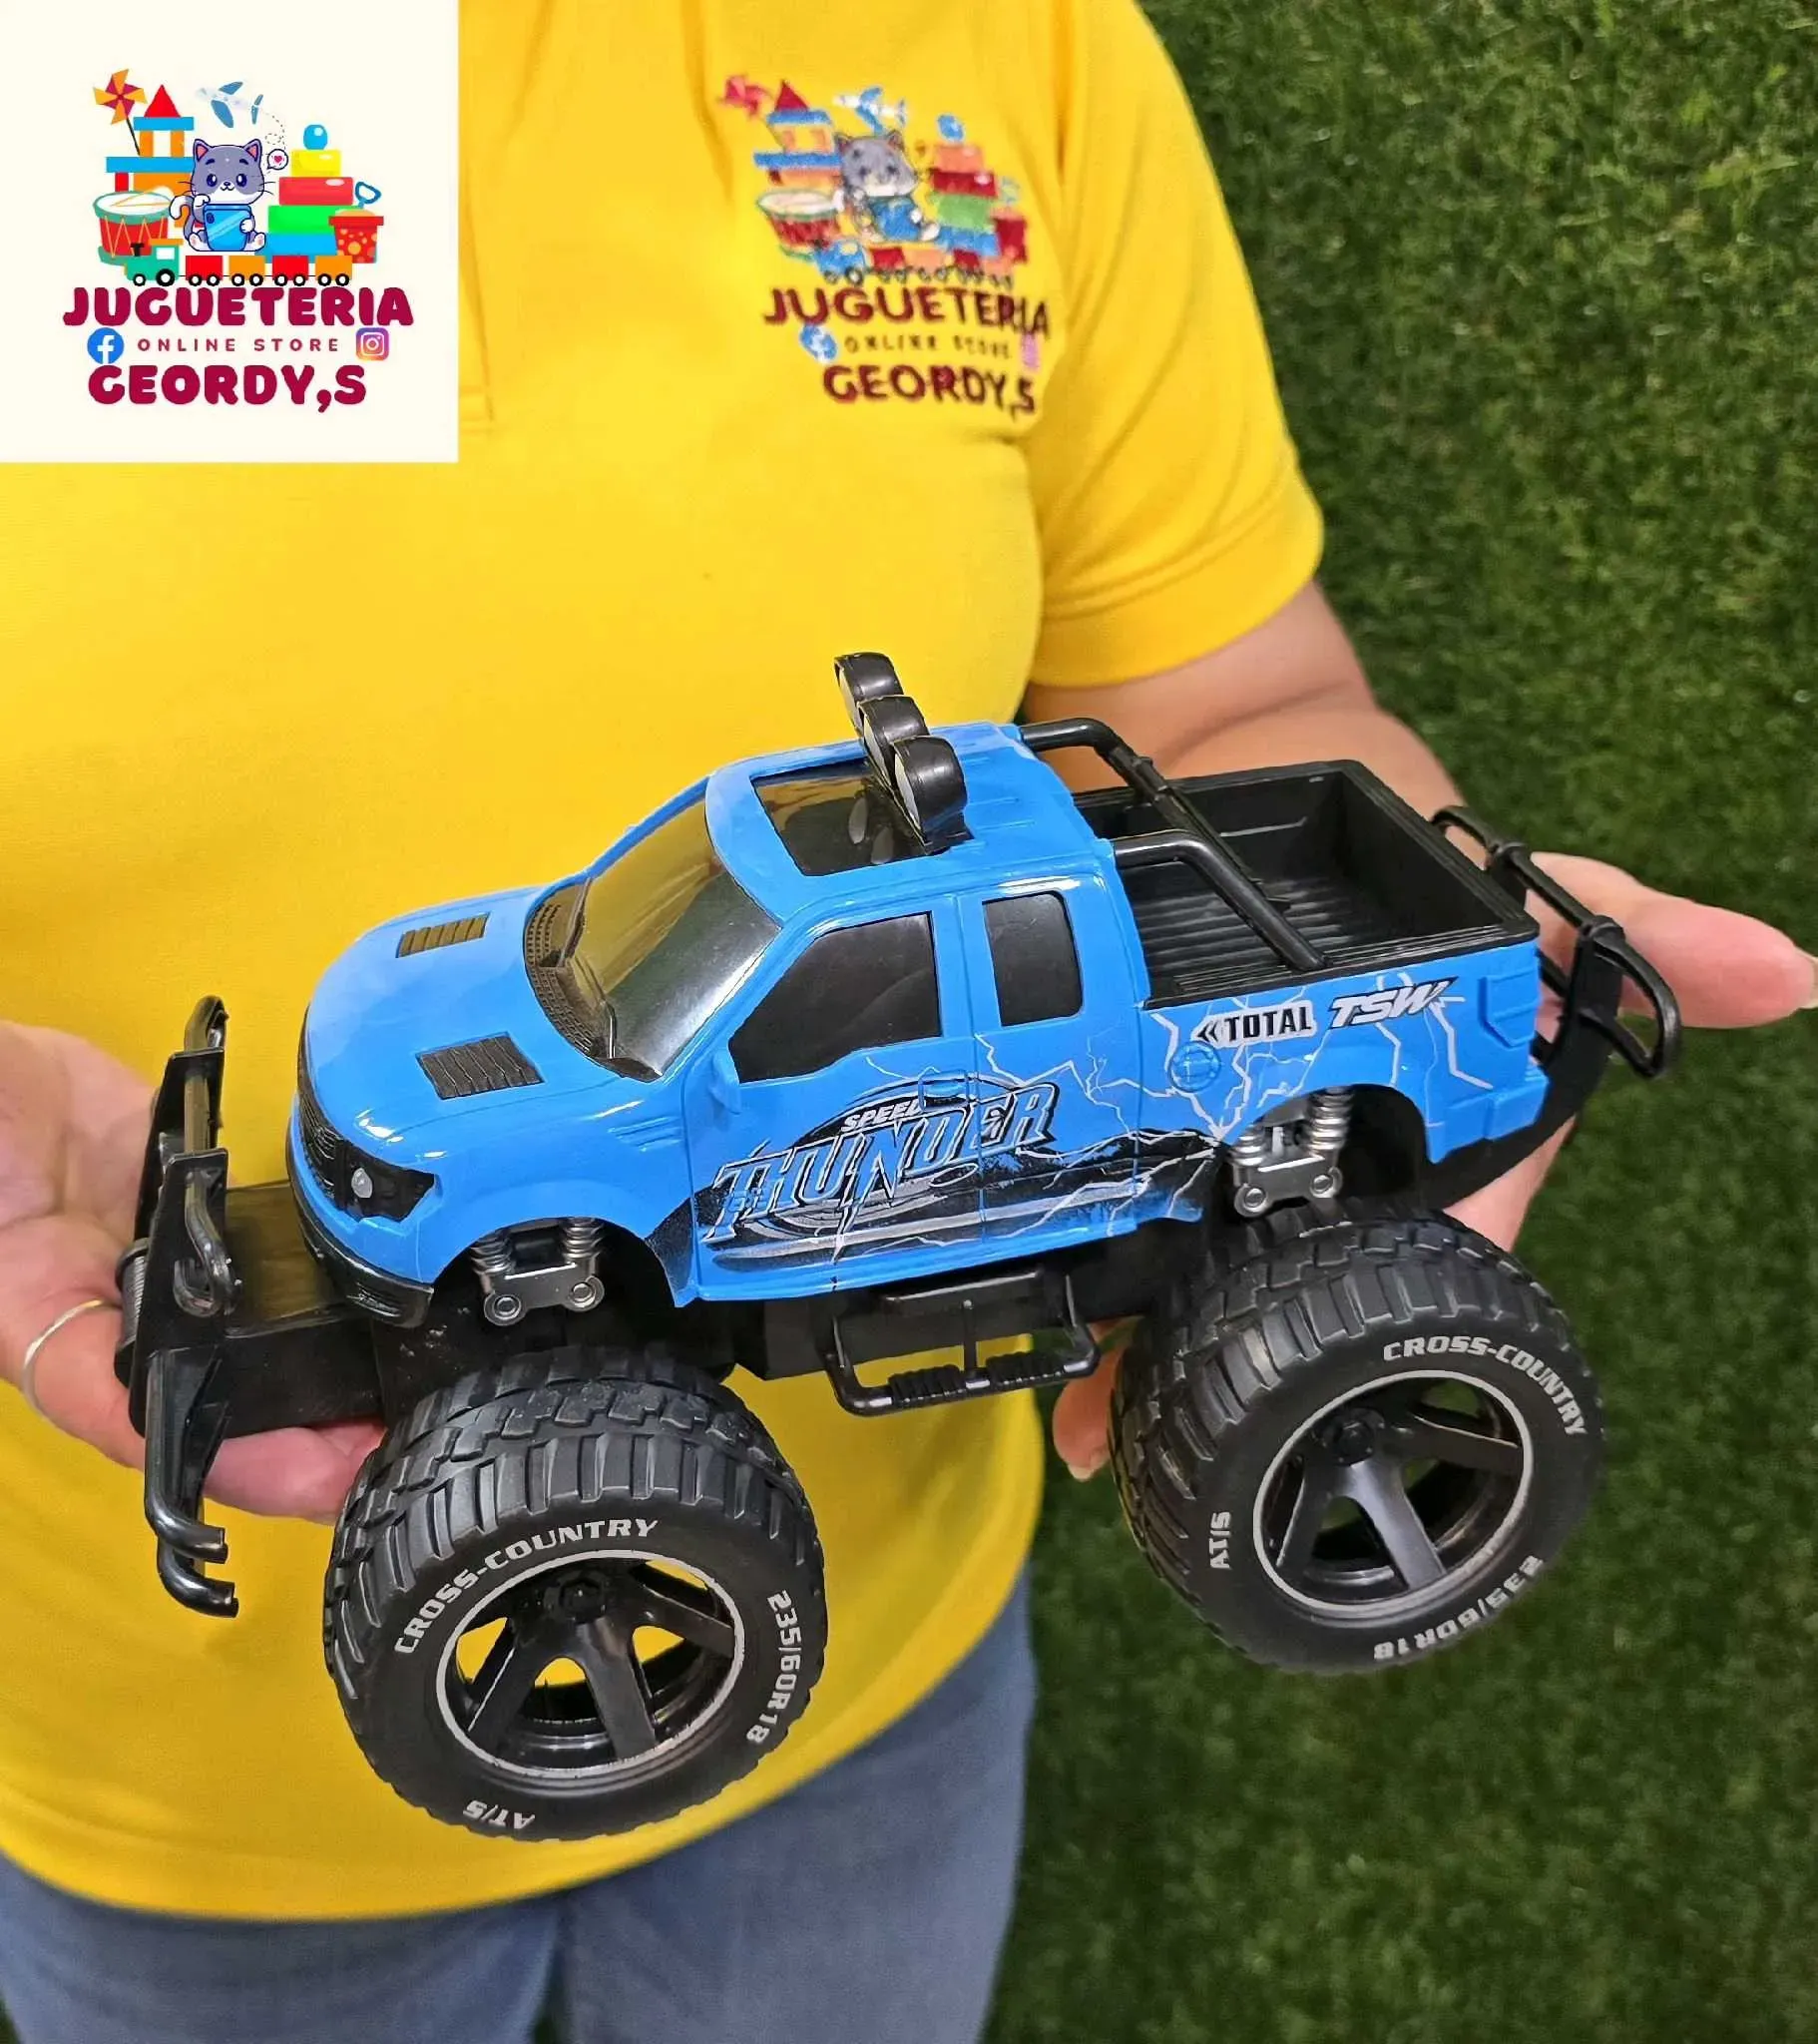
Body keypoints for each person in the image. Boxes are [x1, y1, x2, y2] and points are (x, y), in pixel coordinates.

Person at [0, 3, 1809, 2041]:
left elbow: (1228, 711)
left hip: (885, 1685)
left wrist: (1337, 1249)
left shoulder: (1011, 45)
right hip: (157, 1784)